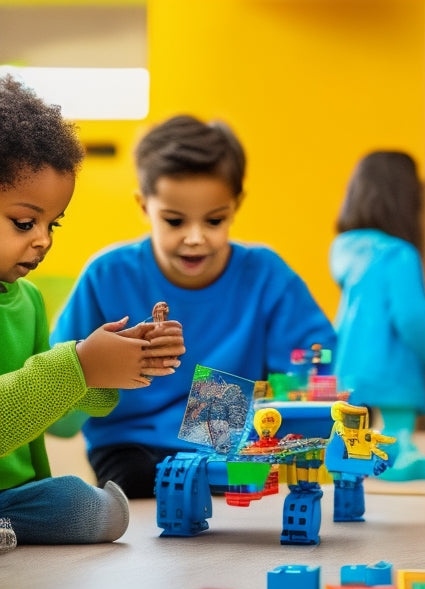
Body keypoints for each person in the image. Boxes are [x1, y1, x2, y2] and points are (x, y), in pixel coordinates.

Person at [51, 115, 335, 498]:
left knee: (239, 487)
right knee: (136, 487)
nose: (196, 238)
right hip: (131, 443)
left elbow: (313, 365)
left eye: (215, 220)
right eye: (174, 221)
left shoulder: (267, 274)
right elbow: (61, 375)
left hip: (229, 441)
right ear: (144, 206)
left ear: (236, 206)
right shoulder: (108, 274)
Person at [0, 74, 185, 546]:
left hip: (11, 497)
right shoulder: (110, 269)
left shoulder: (29, 301)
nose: (42, 240)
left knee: (93, 510)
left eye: (50, 223)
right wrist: (77, 365)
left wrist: (104, 367)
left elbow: (56, 420)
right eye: (24, 222)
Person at [330, 150, 425, 481]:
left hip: (350, 361)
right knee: (397, 422)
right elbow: (411, 316)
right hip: (394, 363)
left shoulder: (344, 248)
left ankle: (358, 462)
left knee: (353, 426)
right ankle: (401, 457)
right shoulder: (398, 253)